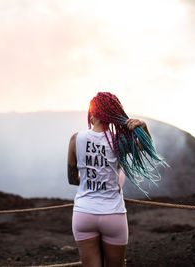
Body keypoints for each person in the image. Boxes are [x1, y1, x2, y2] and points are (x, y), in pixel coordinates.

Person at [67, 92, 166, 267]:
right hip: (112, 213)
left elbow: (72, 179)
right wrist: (144, 128)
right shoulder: (118, 141)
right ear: (112, 115)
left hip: (83, 213)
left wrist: (92, 176)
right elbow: (147, 148)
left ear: (92, 114)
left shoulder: (76, 139)